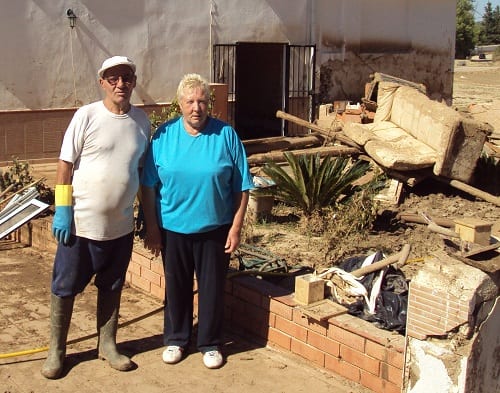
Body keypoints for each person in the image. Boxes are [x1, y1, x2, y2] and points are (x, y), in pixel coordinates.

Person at [41, 56, 151, 379]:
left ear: (133, 82)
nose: (121, 84)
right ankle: (56, 352)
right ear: (102, 82)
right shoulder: (86, 116)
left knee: (113, 284)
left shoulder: (142, 122)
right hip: (80, 226)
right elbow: (65, 164)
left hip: (120, 227)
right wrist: (63, 209)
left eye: (127, 78)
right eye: (114, 79)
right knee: (65, 286)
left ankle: (107, 345)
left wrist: (145, 210)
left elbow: (142, 171)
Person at [140, 73, 253, 369]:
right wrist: (152, 228)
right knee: (176, 287)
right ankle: (176, 339)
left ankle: (210, 343)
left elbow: (242, 186)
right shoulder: (163, 137)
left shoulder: (226, 135)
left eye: (202, 101)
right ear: (179, 104)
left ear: (209, 104)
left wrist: (236, 227)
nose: (196, 108)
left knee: (212, 288)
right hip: (173, 229)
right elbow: (148, 185)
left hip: (214, 229)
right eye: (190, 101)